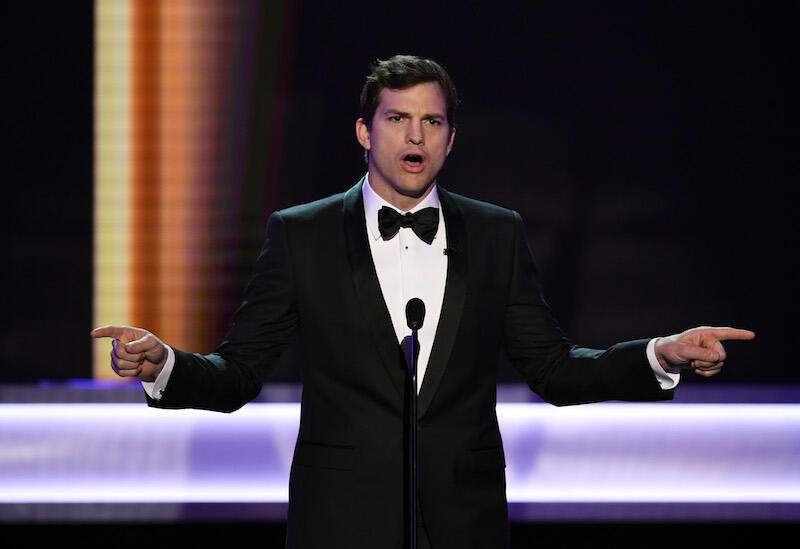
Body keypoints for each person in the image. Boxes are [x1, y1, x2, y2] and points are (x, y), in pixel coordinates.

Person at [92, 55, 754, 548]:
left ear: (450, 138)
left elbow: (555, 369)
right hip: (340, 526)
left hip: (463, 525)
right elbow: (239, 373)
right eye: (398, 119)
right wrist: (164, 364)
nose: (416, 137)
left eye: (432, 121)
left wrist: (659, 354)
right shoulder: (301, 235)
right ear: (363, 131)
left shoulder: (496, 235)